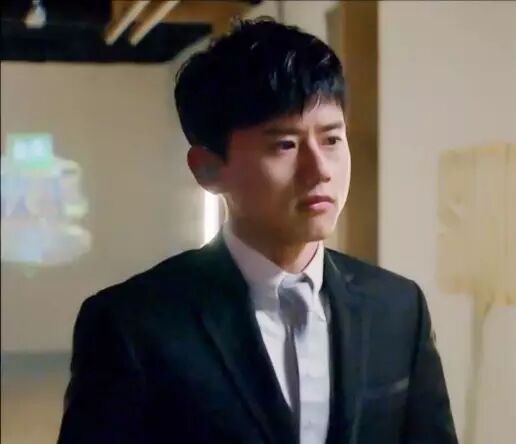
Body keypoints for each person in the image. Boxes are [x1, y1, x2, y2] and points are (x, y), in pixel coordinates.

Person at [57, 17, 457, 444]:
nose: (319, 170)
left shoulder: (398, 308)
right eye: (284, 145)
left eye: (331, 140)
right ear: (208, 169)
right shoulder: (133, 324)